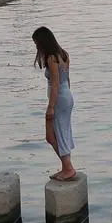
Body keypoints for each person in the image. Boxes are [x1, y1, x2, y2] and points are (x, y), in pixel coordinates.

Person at [32, 26, 77, 181]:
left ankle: (68, 168)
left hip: (58, 99)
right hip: (66, 97)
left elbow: (55, 84)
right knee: (55, 134)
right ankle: (67, 166)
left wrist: (51, 107)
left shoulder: (52, 58)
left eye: (37, 43)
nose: (36, 47)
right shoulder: (63, 54)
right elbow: (67, 80)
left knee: (56, 134)